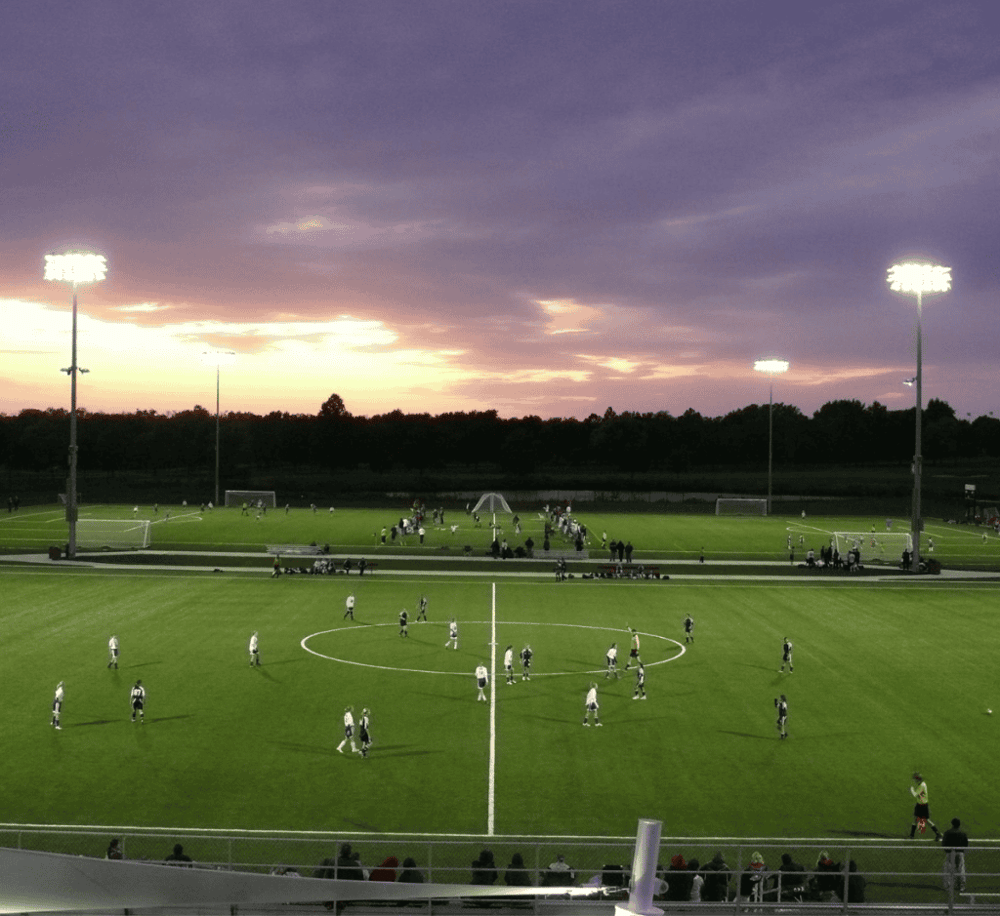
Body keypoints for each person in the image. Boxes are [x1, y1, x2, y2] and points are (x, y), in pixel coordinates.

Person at [909, 772, 943, 839]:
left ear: (917, 780)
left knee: (926, 820)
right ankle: (911, 835)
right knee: (915, 819)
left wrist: (912, 789)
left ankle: (938, 833)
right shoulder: (921, 784)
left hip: (922, 806)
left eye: (915, 779)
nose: (914, 781)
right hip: (919, 805)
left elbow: (915, 795)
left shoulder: (922, 785)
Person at [942, 817, 969, 893]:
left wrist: (947, 851)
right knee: (961, 869)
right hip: (960, 852)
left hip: (950, 852)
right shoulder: (962, 833)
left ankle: (948, 886)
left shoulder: (947, 833)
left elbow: (944, 843)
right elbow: (965, 844)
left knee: (948, 869)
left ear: (952, 824)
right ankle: (962, 886)